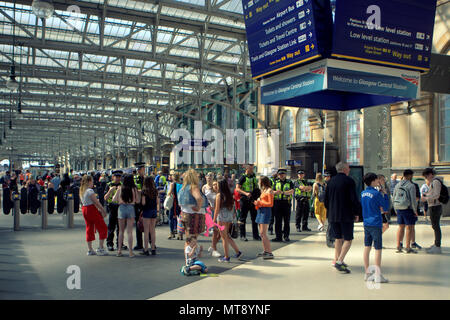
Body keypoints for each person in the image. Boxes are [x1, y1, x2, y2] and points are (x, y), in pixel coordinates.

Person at [324, 162, 361, 274]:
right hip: (346, 214)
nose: (349, 170)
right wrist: (356, 212)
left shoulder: (330, 182)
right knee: (348, 239)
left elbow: (326, 200)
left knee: (338, 238)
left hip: (333, 215)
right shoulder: (349, 181)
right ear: (345, 169)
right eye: (348, 168)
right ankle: (340, 261)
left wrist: (330, 211)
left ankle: (336, 259)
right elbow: (353, 198)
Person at [361, 173, 390, 283]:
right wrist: (385, 195)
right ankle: (378, 275)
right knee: (378, 248)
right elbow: (385, 208)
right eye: (377, 179)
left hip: (366, 223)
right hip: (376, 223)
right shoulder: (377, 193)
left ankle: (367, 273)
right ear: (373, 181)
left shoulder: (363, 193)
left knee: (367, 246)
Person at [79, 175, 108, 256]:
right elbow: (96, 202)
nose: (93, 183)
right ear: (89, 182)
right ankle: (101, 247)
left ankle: (90, 249)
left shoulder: (82, 190)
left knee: (89, 228)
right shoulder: (90, 191)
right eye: (92, 181)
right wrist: (102, 210)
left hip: (85, 209)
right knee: (102, 227)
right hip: (91, 209)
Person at [214, 178, 242, 262]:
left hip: (222, 216)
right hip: (229, 216)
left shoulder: (219, 195)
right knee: (227, 236)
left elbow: (217, 209)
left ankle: (226, 257)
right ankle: (237, 252)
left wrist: (214, 219)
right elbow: (232, 206)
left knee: (224, 237)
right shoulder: (229, 194)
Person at [113, 174, 139, 257]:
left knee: (121, 231)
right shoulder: (134, 189)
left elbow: (114, 199)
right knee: (130, 231)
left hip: (121, 208)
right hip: (131, 208)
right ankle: (130, 252)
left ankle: (119, 250)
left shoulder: (120, 188)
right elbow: (137, 200)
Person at [393, 169, 418, 254]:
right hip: (408, 209)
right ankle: (407, 247)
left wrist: (395, 209)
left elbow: (394, 197)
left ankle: (398, 246)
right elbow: (413, 200)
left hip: (399, 208)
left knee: (400, 227)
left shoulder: (397, 185)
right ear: (410, 175)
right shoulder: (411, 185)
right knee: (409, 227)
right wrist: (415, 210)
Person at [177, 169, 206, 239]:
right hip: (193, 214)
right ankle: (191, 250)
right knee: (192, 238)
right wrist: (198, 207)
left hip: (184, 213)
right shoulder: (193, 187)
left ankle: (188, 249)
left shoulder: (183, 188)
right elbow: (199, 198)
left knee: (189, 237)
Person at [421, 168, 444, 254]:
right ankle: (436, 244)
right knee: (434, 226)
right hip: (433, 206)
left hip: (435, 206)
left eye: (427, 176)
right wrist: (427, 195)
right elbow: (433, 193)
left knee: (436, 226)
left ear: (430, 174)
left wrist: (426, 198)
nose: (426, 178)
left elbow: (437, 195)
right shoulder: (433, 182)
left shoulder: (435, 182)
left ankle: (437, 246)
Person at [235, 164, 260, 241]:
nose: (252, 170)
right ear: (247, 169)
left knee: (254, 218)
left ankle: (255, 235)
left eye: (253, 168)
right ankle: (242, 235)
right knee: (243, 218)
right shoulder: (242, 177)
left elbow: (256, 187)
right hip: (244, 199)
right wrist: (246, 193)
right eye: (251, 168)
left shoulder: (254, 177)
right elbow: (237, 189)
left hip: (253, 199)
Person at [103, 170, 124, 251]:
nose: (118, 178)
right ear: (113, 177)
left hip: (121, 207)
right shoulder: (108, 185)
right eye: (116, 177)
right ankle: (109, 243)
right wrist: (110, 190)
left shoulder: (122, 185)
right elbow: (105, 198)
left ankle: (120, 243)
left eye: (119, 177)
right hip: (112, 208)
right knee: (111, 227)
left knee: (120, 228)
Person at [254, 176, 274, 259]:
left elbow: (270, 204)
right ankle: (265, 250)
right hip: (261, 211)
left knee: (263, 233)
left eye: (259, 181)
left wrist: (260, 203)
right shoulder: (263, 190)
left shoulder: (269, 191)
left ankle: (269, 252)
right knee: (262, 233)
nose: (258, 182)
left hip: (265, 211)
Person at [272, 168, 295, 242]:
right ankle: (278, 236)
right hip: (277, 203)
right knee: (278, 221)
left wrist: (282, 192)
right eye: (280, 174)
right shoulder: (275, 182)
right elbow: (271, 191)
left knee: (286, 221)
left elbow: (292, 191)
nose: (281, 175)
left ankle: (286, 236)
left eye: (283, 174)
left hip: (286, 203)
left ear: (285, 174)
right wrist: (276, 192)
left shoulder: (289, 182)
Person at [202, 173, 221, 258]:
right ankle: (214, 248)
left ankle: (213, 247)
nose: (209, 178)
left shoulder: (215, 186)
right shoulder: (204, 187)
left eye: (211, 177)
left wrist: (215, 189)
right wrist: (208, 207)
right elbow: (204, 199)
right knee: (216, 230)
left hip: (219, 209)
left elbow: (219, 195)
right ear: (205, 178)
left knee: (220, 231)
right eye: (208, 177)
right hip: (211, 210)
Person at [140, 176, 159, 256]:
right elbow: (158, 202)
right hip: (154, 210)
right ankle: (153, 249)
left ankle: (146, 249)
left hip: (147, 210)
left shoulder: (144, 191)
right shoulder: (155, 190)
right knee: (153, 230)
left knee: (146, 231)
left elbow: (143, 203)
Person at [133, 162, 147, 251]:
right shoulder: (134, 179)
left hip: (146, 203)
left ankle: (150, 241)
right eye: (137, 169)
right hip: (137, 204)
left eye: (140, 169)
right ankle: (139, 243)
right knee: (139, 224)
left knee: (148, 224)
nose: (138, 171)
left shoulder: (147, 178)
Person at [167, 172, 182, 240]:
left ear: (173, 177)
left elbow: (169, 193)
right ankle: (180, 234)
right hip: (181, 203)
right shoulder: (182, 184)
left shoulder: (172, 184)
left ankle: (171, 232)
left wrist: (168, 194)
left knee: (171, 217)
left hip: (174, 203)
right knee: (180, 218)